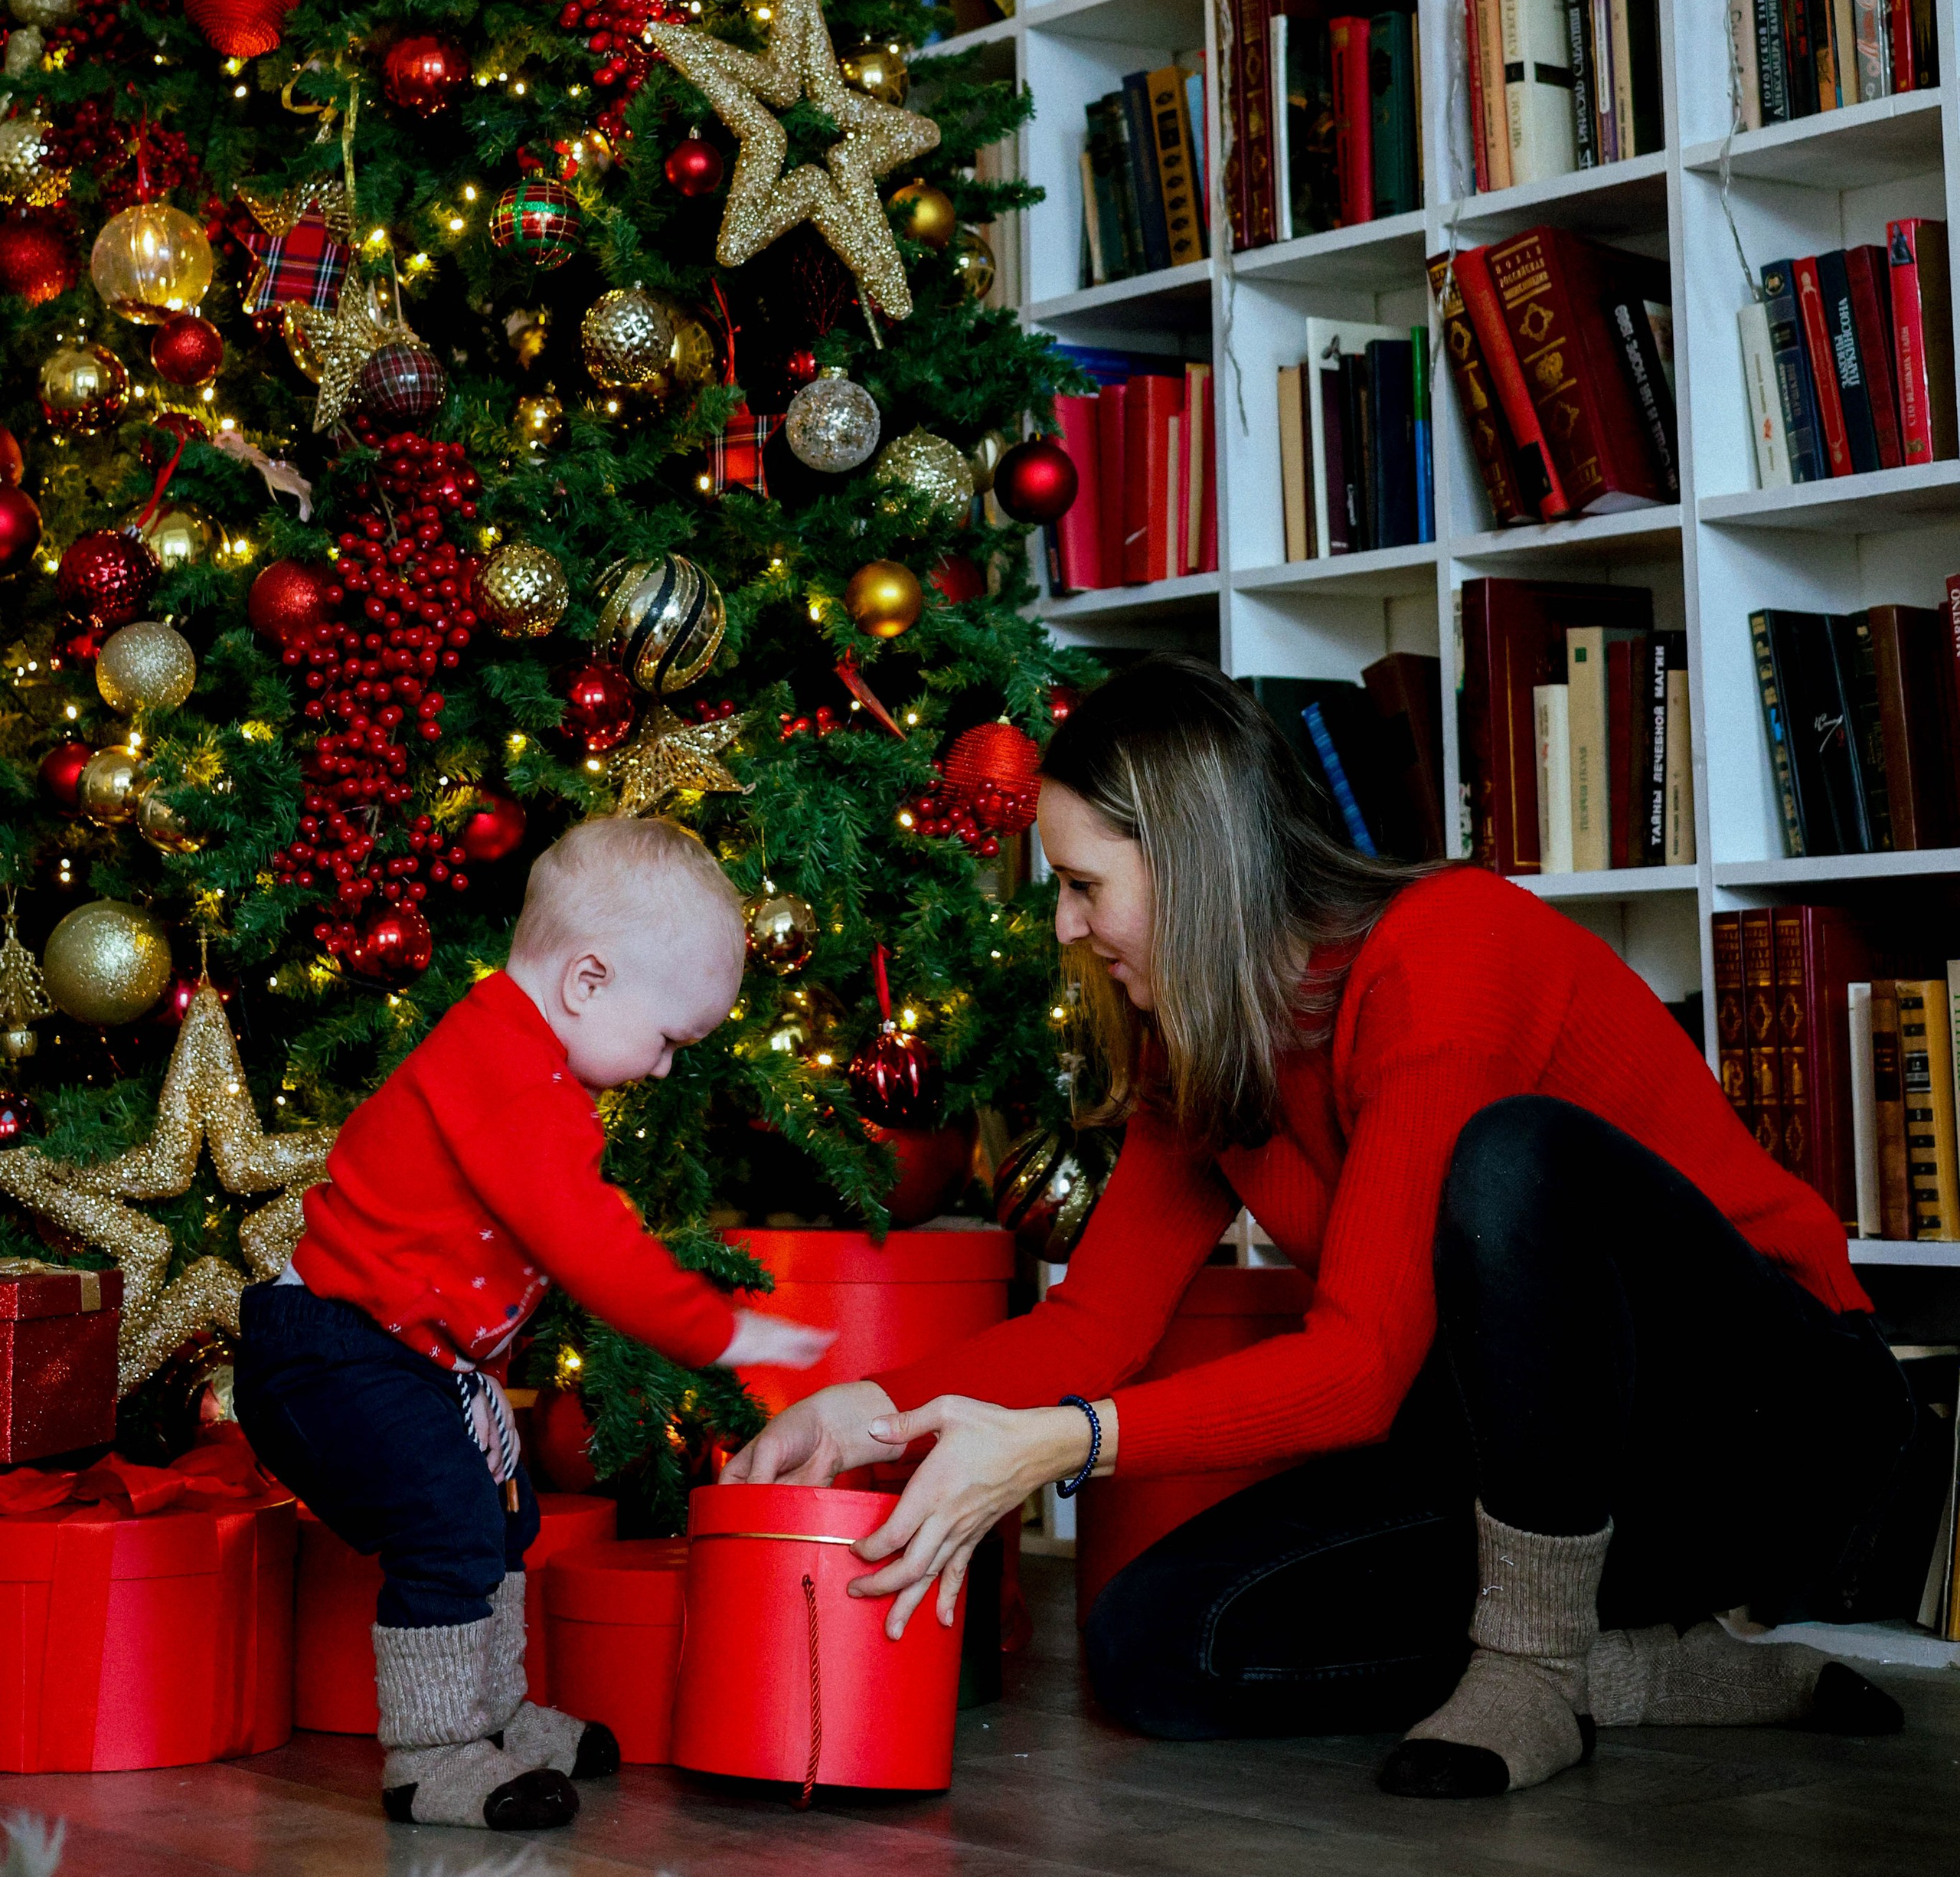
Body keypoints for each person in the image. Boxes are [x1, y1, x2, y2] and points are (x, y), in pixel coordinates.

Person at [725, 658, 1919, 1801]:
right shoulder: (1202, 1043)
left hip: (1770, 1434)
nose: (1067, 929)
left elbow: (1355, 1371)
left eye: (1086, 886)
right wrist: (866, 1409)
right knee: (1153, 1647)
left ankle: (1538, 1671)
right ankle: (1627, 1669)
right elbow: (1096, 1322)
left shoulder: (1447, 949)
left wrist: (1055, 1448)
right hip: (1524, 1468)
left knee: (1509, 1160)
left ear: (1192, 866)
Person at [235, 814, 830, 1832]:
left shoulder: (528, 1066)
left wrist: (469, 1386)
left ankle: (494, 1718)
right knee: (447, 1525)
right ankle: (432, 1759)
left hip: (392, 1352)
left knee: (503, 1513)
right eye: (668, 1040)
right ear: (586, 982)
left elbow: (448, 1273)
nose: (662, 1070)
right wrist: (718, 1333)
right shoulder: (505, 1065)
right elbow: (586, 1242)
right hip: (325, 1352)